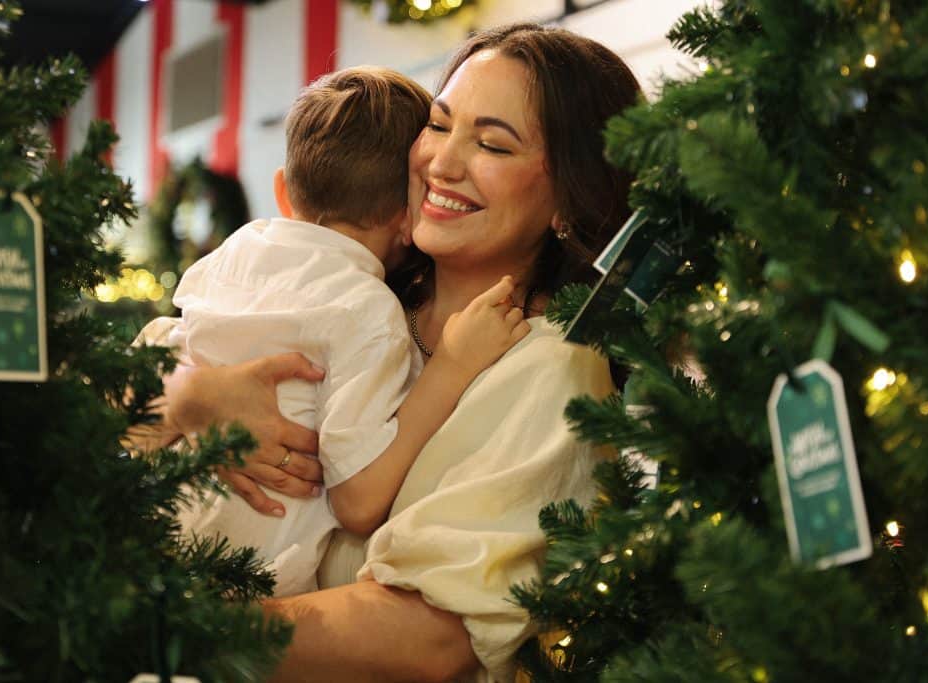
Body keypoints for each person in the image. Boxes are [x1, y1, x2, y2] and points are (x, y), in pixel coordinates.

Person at [160, 23, 641, 682]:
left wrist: (168, 623)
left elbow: (428, 637)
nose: (442, 163)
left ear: (569, 195)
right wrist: (191, 394)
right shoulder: (359, 287)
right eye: (440, 125)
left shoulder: (553, 367)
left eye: (493, 143)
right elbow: (108, 401)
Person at [134, 66, 531, 597]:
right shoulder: (367, 311)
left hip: (146, 536)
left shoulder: (232, 254)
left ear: (283, 189)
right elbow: (358, 500)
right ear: (407, 220)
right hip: (249, 585)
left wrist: (187, 393)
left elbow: (146, 370)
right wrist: (452, 368)